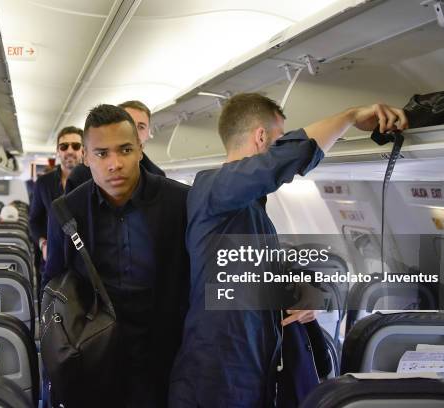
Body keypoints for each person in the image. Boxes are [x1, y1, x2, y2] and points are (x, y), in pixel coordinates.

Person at [169, 93, 408, 407]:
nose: (282, 146)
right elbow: (282, 161)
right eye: (279, 138)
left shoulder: (249, 210)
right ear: (261, 136)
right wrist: (350, 116)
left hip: (251, 370)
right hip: (219, 378)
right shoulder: (213, 188)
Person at [45, 104, 190, 407]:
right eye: (102, 153)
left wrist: (293, 293)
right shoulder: (67, 210)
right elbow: (53, 287)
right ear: (86, 157)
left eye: (125, 150)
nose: (115, 164)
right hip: (96, 353)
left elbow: (213, 268)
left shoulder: (180, 202)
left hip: (164, 353)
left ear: (140, 149)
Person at [66, 100, 165, 192]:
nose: (134, 132)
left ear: (148, 133)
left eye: (141, 127)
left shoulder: (158, 176)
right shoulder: (80, 175)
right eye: (128, 124)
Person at [29, 126, 84, 261]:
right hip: (53, 256)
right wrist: (43, 244)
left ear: (84, 150)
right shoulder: (43, 183)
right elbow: (34, 221)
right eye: (64, 146)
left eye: (76, 146)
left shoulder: (95, 181)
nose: (69, 151)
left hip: (85, 257)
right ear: (58, 151)